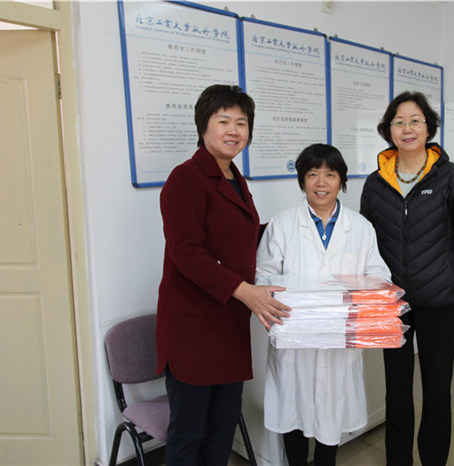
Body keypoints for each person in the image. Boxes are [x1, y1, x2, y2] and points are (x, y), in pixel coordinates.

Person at [156, 84, 291, 465]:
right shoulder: (185, 178)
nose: (234, 130)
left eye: (242, 123)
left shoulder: (233, 177)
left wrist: (289, 228)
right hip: (193, 327)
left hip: (228, 324)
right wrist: (245, 291)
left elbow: (237, 236)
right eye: (224, 121)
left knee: (222, 425)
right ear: (204, 126)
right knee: (189, 432)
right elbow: (187, 253)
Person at [360, 91, 454, 465]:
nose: (407, 128)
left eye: (415, 120)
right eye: (399, 122)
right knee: (397, 391)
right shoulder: (375, 183)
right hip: (392, 305)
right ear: (388, 130)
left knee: (437, 390)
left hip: (441, 300)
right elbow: (365, 246)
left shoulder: (453, 178)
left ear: (429, 127)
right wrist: (368, 300)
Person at [256, 143, 391, 466]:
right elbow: (264, 276)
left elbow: (379, 276)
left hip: (338, 342)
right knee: (292, 412)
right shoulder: (282, 225)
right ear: (302, 180)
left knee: (331, 416)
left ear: (341, 180)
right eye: (312, 174)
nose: (321, 183)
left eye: (330, 175)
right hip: (294, 342)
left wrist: (358, 297)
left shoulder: (360, 227)